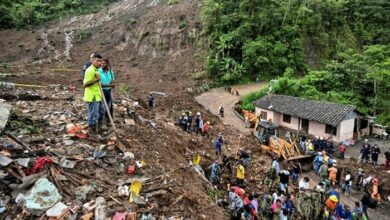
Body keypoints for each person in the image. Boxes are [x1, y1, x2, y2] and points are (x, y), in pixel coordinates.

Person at [83, 53, 104, 137]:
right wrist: (96, 80)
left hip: (98, 95)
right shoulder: (90, 70)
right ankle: (92, 132)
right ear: (92, 60)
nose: (100, 63)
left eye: (101, 61)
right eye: (98, 61)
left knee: (101, 112)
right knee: (93, 115)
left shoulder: (96, 70)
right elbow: (85, 85)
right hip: (92, 96)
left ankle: (99, 128)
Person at [98, 58, 115, 126]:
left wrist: (112, 84)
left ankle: (108, 120)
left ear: (107, 64)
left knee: (109, 106)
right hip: (102, 91)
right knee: (102, 107)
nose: (102, 65)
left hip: (108, 91)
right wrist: (110, 85)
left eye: (104, 63)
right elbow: (99, 84)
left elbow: (113, 82)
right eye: (101, 63)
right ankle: (101, 121)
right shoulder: (98, 71)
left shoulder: (110, 72)